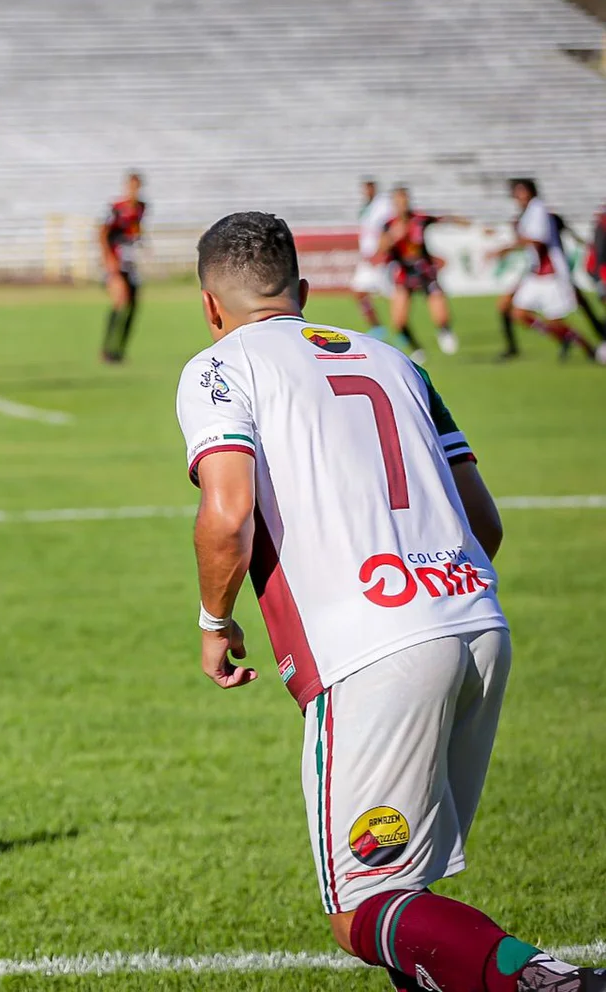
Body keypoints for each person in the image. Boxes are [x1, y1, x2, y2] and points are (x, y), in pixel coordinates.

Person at [176, 210, 605, 992]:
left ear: (210, 306)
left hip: (375, 649)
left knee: (365, 905)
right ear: (303, 291)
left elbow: (228, 513)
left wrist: (214, 622)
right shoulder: (395, 359)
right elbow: (486, 522)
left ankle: (549, 980)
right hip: (475, 621)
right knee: (409, 899)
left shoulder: (220, 367)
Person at [491, 179, 605, 364]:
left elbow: (538, 240)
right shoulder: (528, 212)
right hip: (536, 273)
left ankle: (588, 347)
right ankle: (566, 338)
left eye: (522, 192)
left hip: (551, 275)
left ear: (531, 192)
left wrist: (506, 248)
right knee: (517, 313)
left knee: (556, 320)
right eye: (517, 193)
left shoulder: (538, 209)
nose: (519, 196)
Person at [381, 187, 465, 362]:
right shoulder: (389, 225)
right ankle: (416, 349)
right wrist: (392, 238)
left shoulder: (419, 220)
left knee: (439, 307)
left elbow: (442, 219)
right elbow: (380, 249)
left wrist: (464, 222)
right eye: (398, 202)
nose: (402, 205)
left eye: (404, 201)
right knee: (398, 321)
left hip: (424, 270)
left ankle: (444, 330)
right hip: (404, 273)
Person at [99, 171, 147, 363]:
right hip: (116, 263)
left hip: (131, 263)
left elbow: (136, 230)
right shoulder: (116, 208)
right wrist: (109, 262)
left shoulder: (142, 207)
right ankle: (106, 349)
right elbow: (102, 234)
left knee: (134, 305)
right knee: (119, 301)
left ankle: (120, 350)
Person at [351, 179, 394, 330]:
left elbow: (388, 229)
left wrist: (381, 252)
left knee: (391, 294)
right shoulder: (366, 206)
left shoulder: (383, 205)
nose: (366, 191)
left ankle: (401, 327)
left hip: (379, 257)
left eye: (368, 188)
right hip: (367, 257)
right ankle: (377, 327)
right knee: (359, 292)